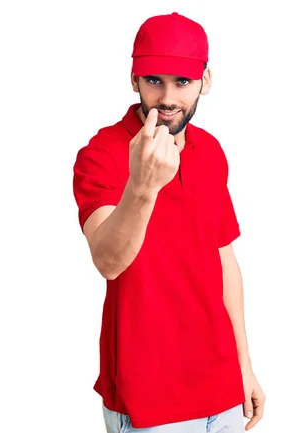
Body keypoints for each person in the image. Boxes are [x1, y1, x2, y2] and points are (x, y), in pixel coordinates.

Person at [72, 12, 265, 432]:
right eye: (154, 80)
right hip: (150, 399)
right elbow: (107, 261)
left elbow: (224, 263)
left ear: (205, 81)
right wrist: (142, 187)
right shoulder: (101, 154)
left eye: (182, 81)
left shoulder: (210, 151)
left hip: (223, 389)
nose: (168, 97)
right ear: (133, 79)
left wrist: (243, 365)